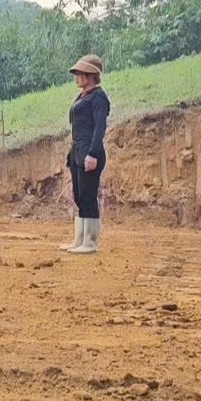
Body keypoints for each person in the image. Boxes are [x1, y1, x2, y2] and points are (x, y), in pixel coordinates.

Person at [59, 54, 111, 254]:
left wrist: (93, 154)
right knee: (79, 196)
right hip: (78, 152)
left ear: (90, 75)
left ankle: (90, 242)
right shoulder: (83, 96)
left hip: (90, 151)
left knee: (88, 196)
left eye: (79, 74)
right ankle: (79, 239)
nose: (76, 77)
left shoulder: (98, 97)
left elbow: (100, 127)